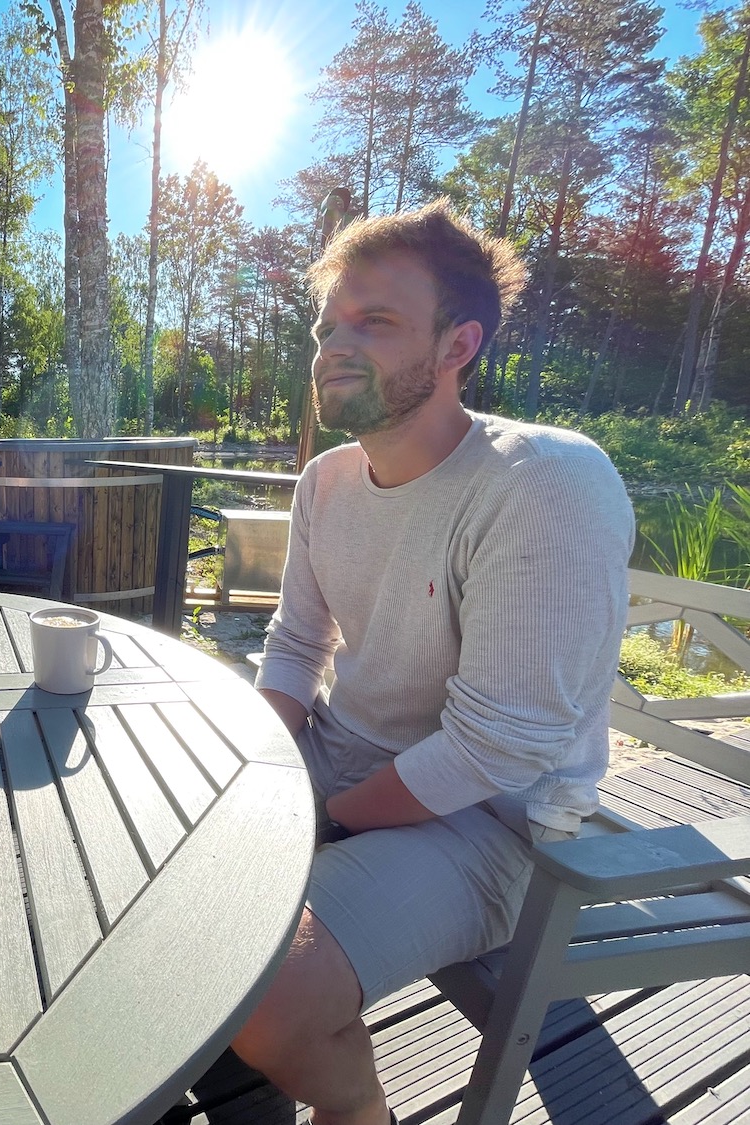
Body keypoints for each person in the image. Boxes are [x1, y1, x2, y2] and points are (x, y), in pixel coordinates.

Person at [232, 199, 635, 1125]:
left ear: (458, 345)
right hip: (347, 755)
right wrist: (252, 767)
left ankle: (359, 1111)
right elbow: (297, 646)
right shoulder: (326, 480)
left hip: (497, 823)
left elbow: (497, 749)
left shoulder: (543, 482)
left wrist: (319, 819)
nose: (334, 344)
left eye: (375, 322)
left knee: (262, 983)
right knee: (164, 837)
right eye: (327, 324)